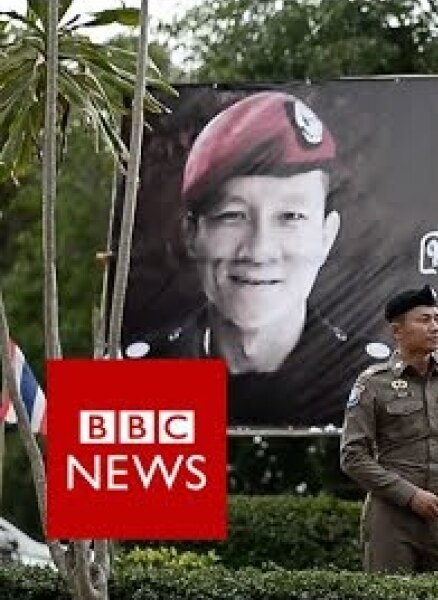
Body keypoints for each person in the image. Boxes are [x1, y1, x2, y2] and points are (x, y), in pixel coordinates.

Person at [125, 91, 389, 426]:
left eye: (290, 217)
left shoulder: (384, 391)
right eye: (232, 216)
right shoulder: (134, 381)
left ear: (326, 236)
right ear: (191, 234)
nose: (259, 250)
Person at [339, 284, 438, 575]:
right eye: (424, 320)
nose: (435, 327)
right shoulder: (373, 383)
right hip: (392, 518)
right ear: (398, 331)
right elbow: (353, 456)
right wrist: (411, 496)